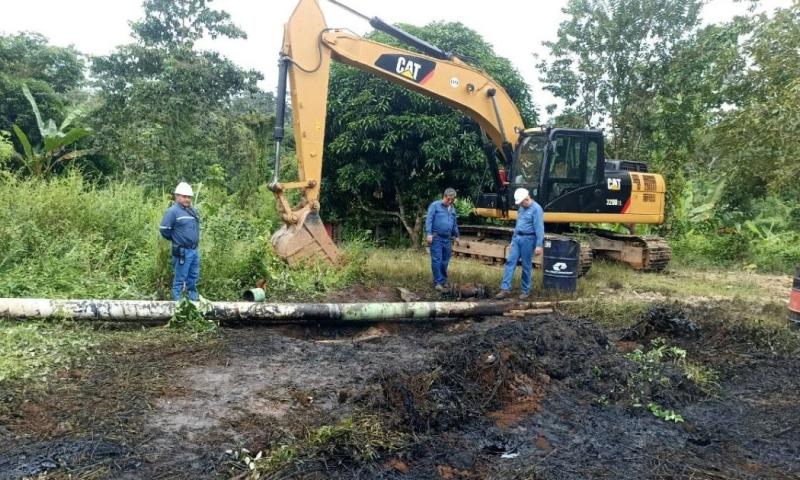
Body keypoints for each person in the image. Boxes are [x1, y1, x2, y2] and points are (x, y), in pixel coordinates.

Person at [495, 188, 544, 300]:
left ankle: (525, 291)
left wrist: (539, 245)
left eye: (522, 202)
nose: (521, 204)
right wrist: (513, 239)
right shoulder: (521, 208)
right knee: (510, 262)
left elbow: (539, 228)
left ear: (527, 198)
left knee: (526, 265)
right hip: (517, 238)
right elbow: (518, 224)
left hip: (528, 239)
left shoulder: (536, 209)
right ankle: (505, 289)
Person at [159, 182, 201, 301]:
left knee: (193, 277)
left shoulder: (192, 211)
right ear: (177, 196)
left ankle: (193, 302)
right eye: (184, 196)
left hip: (194, 250)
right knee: (180, 278)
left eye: (189, 197)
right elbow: (164, 229)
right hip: (182, 251)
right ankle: (177, 304)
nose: (187, 199)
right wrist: (176, 239)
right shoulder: (172, 211)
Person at [425, 187, 460, 291]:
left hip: (447, 239)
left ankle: (443, 280)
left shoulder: (452, 209)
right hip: (436, 237)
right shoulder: (435, 205)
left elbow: (454, 224)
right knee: (437, 260)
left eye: (452, 200)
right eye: (449, 199)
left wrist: (457, 236)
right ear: (444, 196)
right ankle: (438, 282)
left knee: (445, 260)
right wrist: (429, 233)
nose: (450, 201)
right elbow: (429, 219)